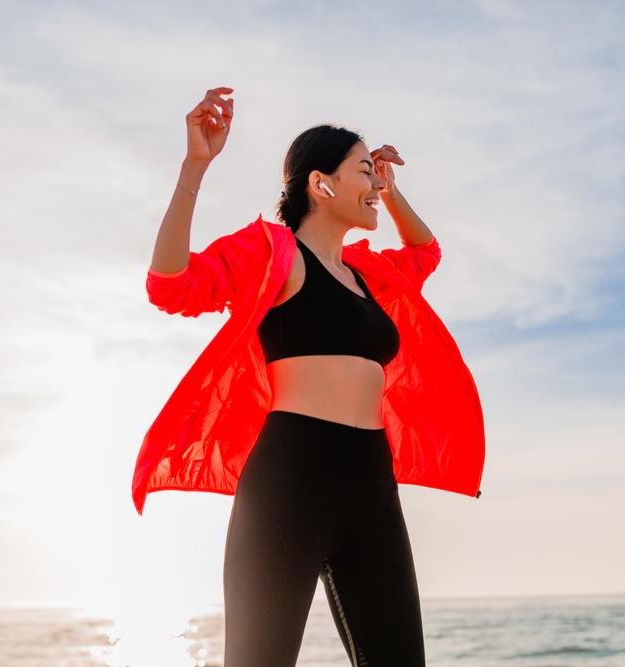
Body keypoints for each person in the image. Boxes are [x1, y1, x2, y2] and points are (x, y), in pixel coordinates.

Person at [136, 86, 485, 666]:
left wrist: (391, 192)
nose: (375, 184)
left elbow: (425, 253)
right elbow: (170, 285)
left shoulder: (371, 274)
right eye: (364, 171)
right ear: (320, 184)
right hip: (288, 484)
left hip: (372, 488)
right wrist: (195, 167)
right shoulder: (270, 253)